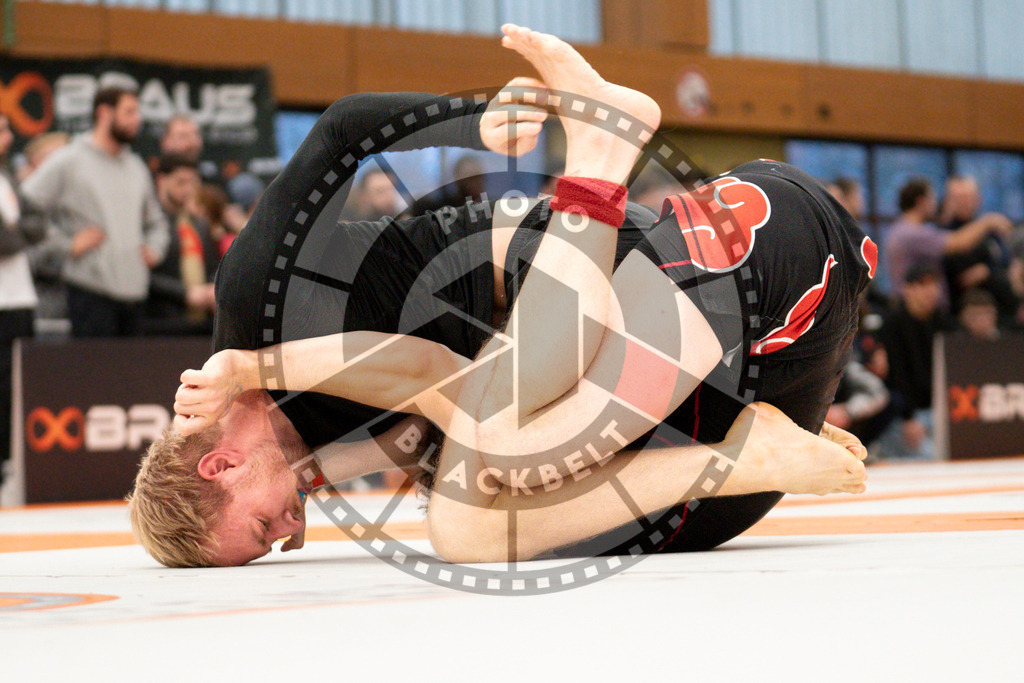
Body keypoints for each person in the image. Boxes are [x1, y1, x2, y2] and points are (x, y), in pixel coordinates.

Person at [132, 26, 867, 567]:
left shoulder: (253, 299)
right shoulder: (319, 448)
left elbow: (339, 133)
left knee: (491, 459)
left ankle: (599, 154)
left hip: (641, 264)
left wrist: (472, 125)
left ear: (218, 465)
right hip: (766, 318)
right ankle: (742, 435)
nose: (292, 532)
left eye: (264, 529)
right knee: (470, 519)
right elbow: (440, 411)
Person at [20, 86, 170, 337]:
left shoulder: (136, 167)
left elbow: (157, 222)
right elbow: (26, 207)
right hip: (89, 292)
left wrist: (155, 248)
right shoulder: (69, 159)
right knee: (94, 375)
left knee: (134, 375)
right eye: (130, 111)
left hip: (134, 293)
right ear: (104, 112)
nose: (138, 120)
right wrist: (65, 245)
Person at [883, 178, 1010, 302]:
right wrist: (988, 221)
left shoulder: (901, 229)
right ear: (922, 202)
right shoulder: (912, 233)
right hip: (917, 306)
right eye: (932, 199)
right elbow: (958, 243)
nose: (936, 204)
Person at [0, 113, 41, 485]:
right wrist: (16, 232)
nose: (8, 137)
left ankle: (11, 463)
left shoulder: (7, 178)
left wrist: (16, 231)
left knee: (15, 388)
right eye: (1, 130)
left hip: (20, 298)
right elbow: (6, 240)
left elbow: (37, 223)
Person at [875, 264, 950, 461]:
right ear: (908, 289)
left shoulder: (942, 323)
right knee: (931, 457)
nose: (931, 291)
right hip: (906, 415)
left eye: (935, 284)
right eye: (923, 285)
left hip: (940, 411)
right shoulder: (892, 324)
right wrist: (908, 418)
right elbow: (895, 375)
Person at [144, 154, 219, 335]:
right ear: (161, 181)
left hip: (201, 324)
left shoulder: (199, 224)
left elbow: (213, 265)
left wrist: (211, 289)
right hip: (160, 324)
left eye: (193, 182)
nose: (188, 189)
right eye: (181, 182)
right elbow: (142, 275)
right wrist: (184, 293)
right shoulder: (147, 224)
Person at [939, 175, 1019, 320]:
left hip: (999, 311)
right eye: (959, 197)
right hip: (957, 313)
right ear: (949, 200)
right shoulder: (941, 234)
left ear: (978, 199)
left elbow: (1007, 265)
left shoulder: (990, 233)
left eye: (968, 197)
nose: (964, 202)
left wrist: (987, 271)